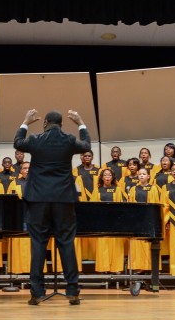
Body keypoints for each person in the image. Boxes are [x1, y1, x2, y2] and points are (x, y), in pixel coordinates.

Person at [14, 108, 90, 305]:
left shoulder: (35, 139)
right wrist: (81, 122)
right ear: (62, 124)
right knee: (66, 243)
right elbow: (87, 145)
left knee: (38, 244)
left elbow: (17, 143)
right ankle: (72, 290)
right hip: (64, 199)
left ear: (45, 123)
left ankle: (37, 292)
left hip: (38, 200)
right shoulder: (69, 140)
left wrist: (25, 122)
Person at [90, 168, 126, 274]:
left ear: (113, 177)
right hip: (102, 221)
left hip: (115, 222)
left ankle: (116, 268)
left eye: (109, 175)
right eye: (105, 175)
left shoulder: (118, 190)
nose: (107, 177)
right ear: (101, 177)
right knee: (103, 245)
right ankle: (103, 268)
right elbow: (93, 207)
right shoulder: (97, 190)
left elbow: (122, 206)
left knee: (115, 244)